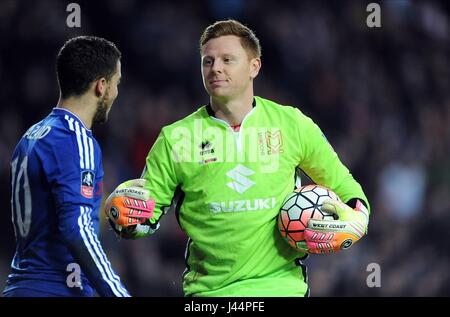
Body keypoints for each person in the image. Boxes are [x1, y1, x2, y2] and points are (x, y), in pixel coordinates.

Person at [107, 20, 370, 297]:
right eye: (207, 61)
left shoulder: (292, 124)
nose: (215, 68)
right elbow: (146, 214)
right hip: (210, 294)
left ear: (254, 67)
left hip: (283, 289)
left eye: (227, 60)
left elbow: (345, 186)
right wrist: (127, 218)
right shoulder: (176, 138)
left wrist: (356, 220)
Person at [3, 36, 130, 297]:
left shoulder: (32, 136)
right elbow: (77, 228)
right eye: (117, 83)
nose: (117, 93)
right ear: (101, 86)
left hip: (20, 287)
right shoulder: (75, 140)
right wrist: (117, 292)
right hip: (58, 289)